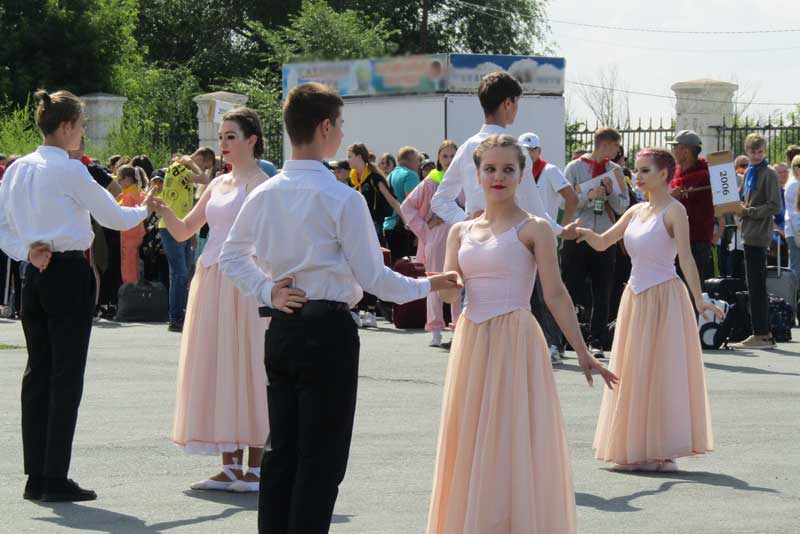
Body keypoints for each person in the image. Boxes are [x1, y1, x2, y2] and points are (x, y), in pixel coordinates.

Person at [218, 82, 460, 534]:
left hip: (283, 328)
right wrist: (431, 283)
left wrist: (268, 292)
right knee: (321, 459)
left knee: (281, 451)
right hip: (327, 330)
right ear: (325, 127)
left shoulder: (265, 193)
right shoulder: (340, 197)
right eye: (340, 124)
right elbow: (376, 280)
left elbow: (231, 257)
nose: (342, 133)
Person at [427, 135, 616, 534]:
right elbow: (448, 292)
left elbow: (555, 293)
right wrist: (440, 284)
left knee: (513, 438)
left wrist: (582, 351)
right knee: (472, 436)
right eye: (490, 169)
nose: (498, 176)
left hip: (515, 340)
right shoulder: (459, 231)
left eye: (508, 169)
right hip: (471, 340)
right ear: (476, 175)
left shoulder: (536, 229)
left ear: (522, 173)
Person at [0, 89, 154, 502]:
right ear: (67, 126)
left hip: (33, 271)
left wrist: (27, 252)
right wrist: (147, 207)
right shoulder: (69, 171)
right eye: (82, 126)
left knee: (38, 374)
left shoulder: (16, 170)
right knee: (65, 376)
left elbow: (4, 229)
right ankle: (54, 476)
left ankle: (36, 475)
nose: (83, 133)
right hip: (66, 272)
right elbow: (115, 217)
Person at [577, 148, 721, 472]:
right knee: (633, 373)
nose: (637, 176)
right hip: (635, 297)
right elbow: (602, 243)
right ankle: (635, 448)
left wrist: (700, 300)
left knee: (661, 373)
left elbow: (686, 258)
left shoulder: (675, 211)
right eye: (637, 170)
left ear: (664, 175)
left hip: (664, 298)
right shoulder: (635, 210)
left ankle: (663, 451)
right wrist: (581, 232)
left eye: (644, 171)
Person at [154, 107, 270, 493]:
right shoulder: (217, 184)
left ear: (252, 139)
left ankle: (256, 465)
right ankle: (230, 466)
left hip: (246, 279)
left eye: (231, 136)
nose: (223, 144)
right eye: (221, 137)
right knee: (219, 366)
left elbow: (271, 238)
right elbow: (187, 230)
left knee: (249, 366)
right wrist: (163, 209)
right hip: (210, 278)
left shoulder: (263, 183)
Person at [431, 71, 574, 241]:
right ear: (508, 103)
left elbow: (440, 201)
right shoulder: (516, 150)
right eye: (516, 102)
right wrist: (562, 231)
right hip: (510, 240)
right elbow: (534, 210)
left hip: (474, 241)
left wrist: (467, 220)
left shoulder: (467, 147)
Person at [562, 127, 630, 357]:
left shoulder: (615, 171)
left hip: (604, 236)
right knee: (571, 288)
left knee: (603, 290)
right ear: (602, 145)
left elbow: (623, 206)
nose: (615, 151)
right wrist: (586, 198)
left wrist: (610, 193)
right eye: (613, 146)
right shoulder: (575, 168)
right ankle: (565, 337)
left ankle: (596, 340)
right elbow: (564, 203)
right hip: (578, 235)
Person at [519, 132, 578, 363]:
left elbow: (571, 198)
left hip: (546, 238)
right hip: (523, 240)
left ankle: (555, 343)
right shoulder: (519, 173)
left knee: (548, 293)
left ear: (538, 151)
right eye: (524, 150)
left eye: (531, 150)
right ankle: (539, 342)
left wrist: (563, 229)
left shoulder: (550, 171)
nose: (528, 154)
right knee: (529, 295)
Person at [401, 140, 461, 347]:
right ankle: (435, 328)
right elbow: (407, 207)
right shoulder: (431, 181)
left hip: (459, 235)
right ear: (438, 158)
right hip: (436, 237)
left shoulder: (464, 180)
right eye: (445, 156)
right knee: (435, 281)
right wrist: (425, 228)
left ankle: (458, 328)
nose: (449, 160)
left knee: (458, 283)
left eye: (453, 156)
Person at [729, 134, 783, 349]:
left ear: (765, 151)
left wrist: (748, 211)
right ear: (747, 151)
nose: (756, 155)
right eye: (752, 152)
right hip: (749, 232)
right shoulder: (751, 171)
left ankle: (761, 334)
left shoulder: (768, 173)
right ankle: (761, 332)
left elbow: (774, 206)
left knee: (757, 286)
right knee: (753, 285)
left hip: (759, 234)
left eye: (760, 152)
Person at [158, 147, 216, 332]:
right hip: (171, 226)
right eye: (204, 165)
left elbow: (188, 203)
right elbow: (205, 180)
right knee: (180, 273)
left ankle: (182, 314)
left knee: (183, 273)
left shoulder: (183, 168)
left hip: (181, 226)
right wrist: (192, 162)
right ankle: (176, 317)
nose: (202, 169)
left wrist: (191, 234)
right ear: (201, 157)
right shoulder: (180, 167)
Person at [347, 143, 403, 327]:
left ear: (359, 157)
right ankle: (355, 310)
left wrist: (406, 219)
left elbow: (392, 201)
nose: (348, 161)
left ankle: (370, 311)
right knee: (352, 268)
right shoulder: (352, 179)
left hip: (373, 228)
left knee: (370, 268)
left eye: (350, 156)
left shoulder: (374, 178)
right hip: (354, 229)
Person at [669, 130, 725, 282]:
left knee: (690, 289)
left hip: (695, 242)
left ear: (685, 151)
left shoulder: (702, 176)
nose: (673, 150)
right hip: (679, 240)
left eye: (676, 147)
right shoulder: (678, 174)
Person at [384, 146, 421, 260]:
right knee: (407, 267)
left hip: (388, 226)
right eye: (417, 160)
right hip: (404, 227)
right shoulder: (410, 175)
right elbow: (413, 201)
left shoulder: (390, 175)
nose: (419, 164)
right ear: (409, 160)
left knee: (394, 265)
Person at [116, 165, 146, 284]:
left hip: (128, 236)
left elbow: (124, 217)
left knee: (128, 267)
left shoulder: (128, 196)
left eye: (121, 179)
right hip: (136, 235)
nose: (119, 182)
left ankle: (129, 291)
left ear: (128, 178)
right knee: (134, 265)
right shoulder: (138, 193)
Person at [785, 155, 800, 279]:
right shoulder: (795, 185)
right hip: (796, 231)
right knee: (796, 268)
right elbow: (794, 212)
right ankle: (793, 296)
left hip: (795, 229)